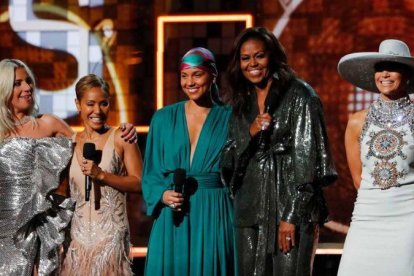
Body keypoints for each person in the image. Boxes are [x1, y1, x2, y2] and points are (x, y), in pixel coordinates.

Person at [0, 58, 138, 275]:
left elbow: (87, 140)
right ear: (4, 87)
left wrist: (124, 130)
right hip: (5, 227)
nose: (27, 87)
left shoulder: (48, 124)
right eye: (18, 83)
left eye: (28, 81)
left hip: (40, 228)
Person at [221, 27, 337, 276]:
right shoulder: (241, 103)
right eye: (245, 58)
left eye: (259, 56)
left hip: (290, 211)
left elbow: (309, 162)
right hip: (250, 212)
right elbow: (229, 160)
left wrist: (291, 216)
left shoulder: (301, 96)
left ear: (272, 56)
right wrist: (250, 134)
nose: (252, 63)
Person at [142, 47, 236, 275]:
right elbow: (151, 171)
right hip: (172, 215)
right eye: (184, 75)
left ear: (213, 74)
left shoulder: (231, 117)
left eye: (197, 74)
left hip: (214, 211)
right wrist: (162, 194)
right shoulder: (163, 118)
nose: (189, 82)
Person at [337, 39, 414, 275]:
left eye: (393, 67)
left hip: (409, 218)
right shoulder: (357, 121)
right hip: (368, 217)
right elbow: (359, 179)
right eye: (380, 68)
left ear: (407, 75)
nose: (385, 74)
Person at [60, 74, 142, 275]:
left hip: (110, 242)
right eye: (90, 104)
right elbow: (63, 193)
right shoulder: (68, 144)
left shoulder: (122, 138)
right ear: (78, 105)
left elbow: (139, 183)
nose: (97, 111)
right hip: (78, 245)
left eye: (103, 103)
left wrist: (102, 176)